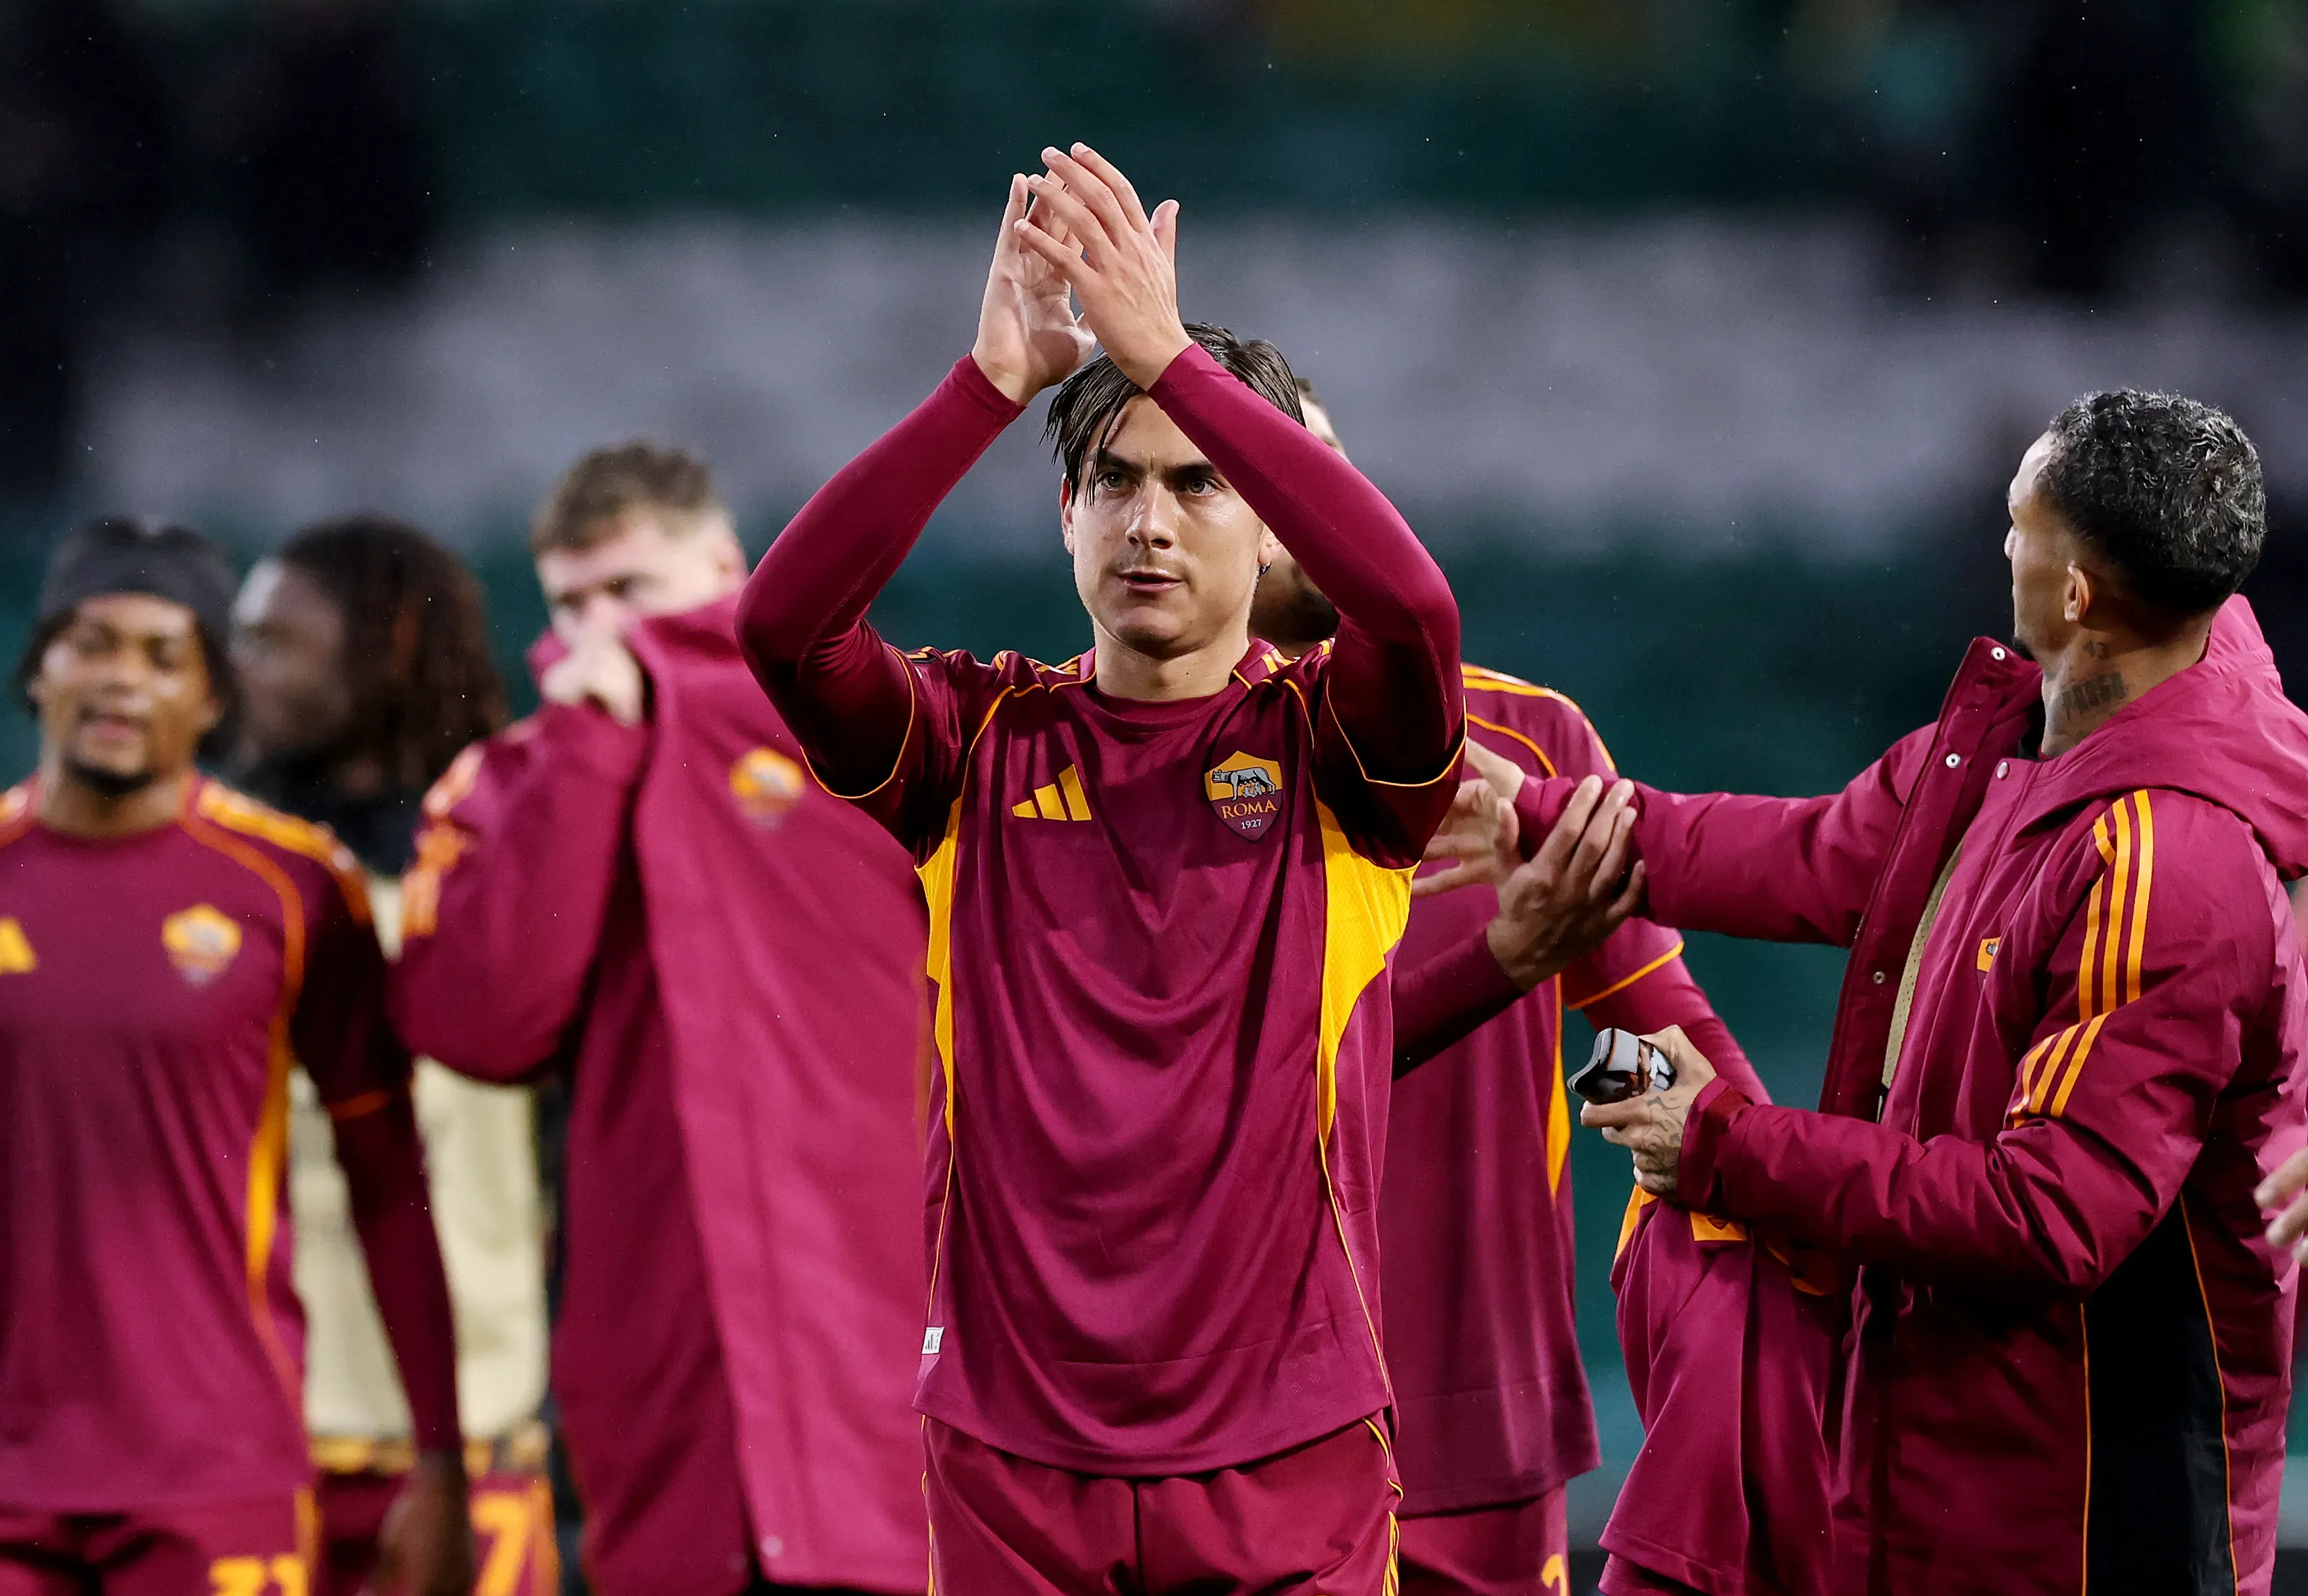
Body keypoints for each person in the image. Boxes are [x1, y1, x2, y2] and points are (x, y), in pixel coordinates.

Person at [737, 145, 1466, 1595]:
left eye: (1198, 487)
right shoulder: (969, 740)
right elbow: (782, 625)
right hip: (1013, 1447)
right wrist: (990, 384)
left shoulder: (1335, 750)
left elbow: (1412, 607)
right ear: (1062, 515)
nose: (1147, 523)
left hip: (1288, 1440)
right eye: (1112, 482)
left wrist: (1167, 362)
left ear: (1264, 530)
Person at [1552, 390, 2308, 1595]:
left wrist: (1727, 1143)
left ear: (2076, 593)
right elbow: (1809, 855)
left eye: (2020, 522)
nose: (1999, 544)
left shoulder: (2174, 861)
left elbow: (2046, 1216)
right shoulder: (2012, 743)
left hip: (2085, 1530)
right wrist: (1539, 811)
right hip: (1937, 1465)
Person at [1255, 381, 1771, 1596]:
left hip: (1478, 1412)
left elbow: (1634, 1024)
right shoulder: (1139, 755)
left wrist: (1759, 1175)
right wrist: (1505, 967)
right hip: (1237, 1422)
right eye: (1271, 478)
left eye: (1330, 469)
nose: (1324, 509)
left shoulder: (1527, 747)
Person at [389, 444, 931, 1596]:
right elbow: (480, 1022)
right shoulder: (517, 780)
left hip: (893, 1332)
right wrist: (589, 750)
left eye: (633, 591)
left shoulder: (861, 732)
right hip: (661, 1357)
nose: (603, 633)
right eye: (571, 604)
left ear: (728, 565)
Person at [0, 517, 470, 1596]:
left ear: (212, 701)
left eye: (164, 656)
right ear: (39, 672)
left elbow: (389, 1185)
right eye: (93, 644)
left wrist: (438, 1461)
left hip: (218, 1474)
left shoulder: (296, 889)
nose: (123, 680)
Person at [231, 516, 557, 1596]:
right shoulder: (215, 875)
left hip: (476, 1441)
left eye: (276, 640)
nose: (240, 668)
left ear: (383, 651)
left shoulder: (507, 875)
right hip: (246, 1441)